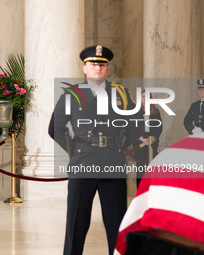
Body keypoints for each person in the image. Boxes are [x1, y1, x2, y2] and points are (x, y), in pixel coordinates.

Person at [48, 45, 135, 255]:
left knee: (116, 223)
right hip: (82, 164)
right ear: (84, 67)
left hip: (112, 164)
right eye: (93, 64)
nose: (98, 68)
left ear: (107, 68)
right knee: (76, 223)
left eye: (102, 65)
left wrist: (120, 148)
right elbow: (55, 128)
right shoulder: (72, 94)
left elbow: (134, 125)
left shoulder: (120, 94)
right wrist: (75, 149)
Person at [126, 90, 163, 188]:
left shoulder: (155, 111)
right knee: (141, 169)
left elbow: (159, 127)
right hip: (140, 143)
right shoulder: (135, 111)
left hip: (153, 143)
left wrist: (154, 138)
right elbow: (132, 127)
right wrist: (142, 139)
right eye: (143, 96)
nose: (145, 99)